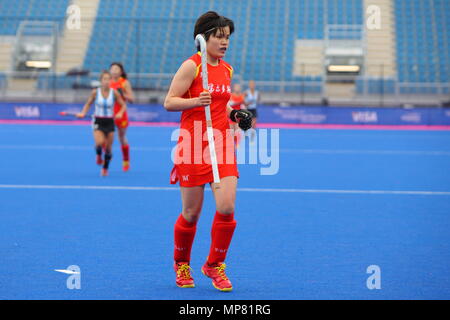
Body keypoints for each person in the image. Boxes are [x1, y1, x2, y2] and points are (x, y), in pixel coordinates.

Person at [164, 11, 252, 292]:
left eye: (227, 37)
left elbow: (220, 106)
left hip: (221, 143)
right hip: (192, 145)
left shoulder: (226, 70)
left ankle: (214, 265)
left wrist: (236, 114)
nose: (225, 42)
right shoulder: (191, 66)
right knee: (191, 213)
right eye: (219, 36)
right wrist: (193, 101)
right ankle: (181, 263)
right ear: (203, 38)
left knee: (226, 207)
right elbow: (169, 102)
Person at [76, 71, 127, 176]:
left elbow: (123, 105)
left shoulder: (115, 93)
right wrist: (83, 113)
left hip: (110, 121)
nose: (107, 81)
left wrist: (120, 113)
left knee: (108, 148)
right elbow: (88, 104)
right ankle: (99, 155)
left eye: (109, 79)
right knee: (99, 143)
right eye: (104, 79)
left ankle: (105, 168)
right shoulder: (95, 92)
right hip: (98, 121)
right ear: (101, 81)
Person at [110, 62, 134, 172]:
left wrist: (122, 94)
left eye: (116, 69)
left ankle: (126, 160)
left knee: (121, 137)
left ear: (121, 71)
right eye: (112, 68)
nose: (114, 70)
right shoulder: (107, 82)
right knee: (107, 138)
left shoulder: (124, 83)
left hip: (121, 113)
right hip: (108, 114)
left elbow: (132, 99)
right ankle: (105, 160)